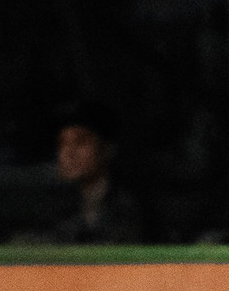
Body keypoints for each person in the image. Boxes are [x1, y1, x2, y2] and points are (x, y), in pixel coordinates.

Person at [52, 103, 154, 244]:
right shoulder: (55, 207)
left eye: (81, 142)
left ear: (107, 149)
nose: (69, 153)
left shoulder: (130, 205)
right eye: (63, 143)